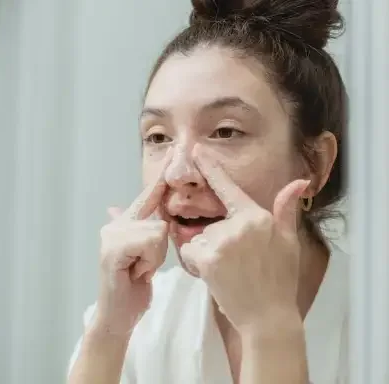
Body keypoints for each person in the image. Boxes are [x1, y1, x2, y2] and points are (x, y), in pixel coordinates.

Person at [68, 0, 349, 383]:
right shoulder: (141, 325)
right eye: (158, 136)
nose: (179, 172)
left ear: (314, 163)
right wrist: (108, 333)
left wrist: (270, 329)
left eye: (225, 131)